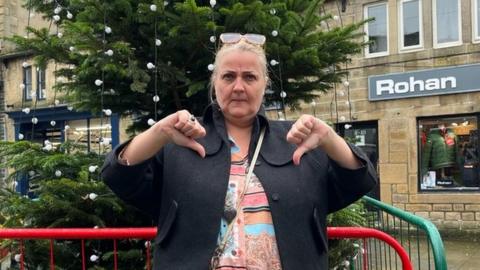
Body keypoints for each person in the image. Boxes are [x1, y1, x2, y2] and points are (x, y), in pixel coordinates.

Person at [101, 33, 377, 270]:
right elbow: (118, 176)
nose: (239, 87)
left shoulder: (299, 141)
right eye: (229, 76)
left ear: (264, 84)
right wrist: (159, 133)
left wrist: (329, 138)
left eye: (250, 77)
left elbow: (360, 180)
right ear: (215, 83)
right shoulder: (180, 142)